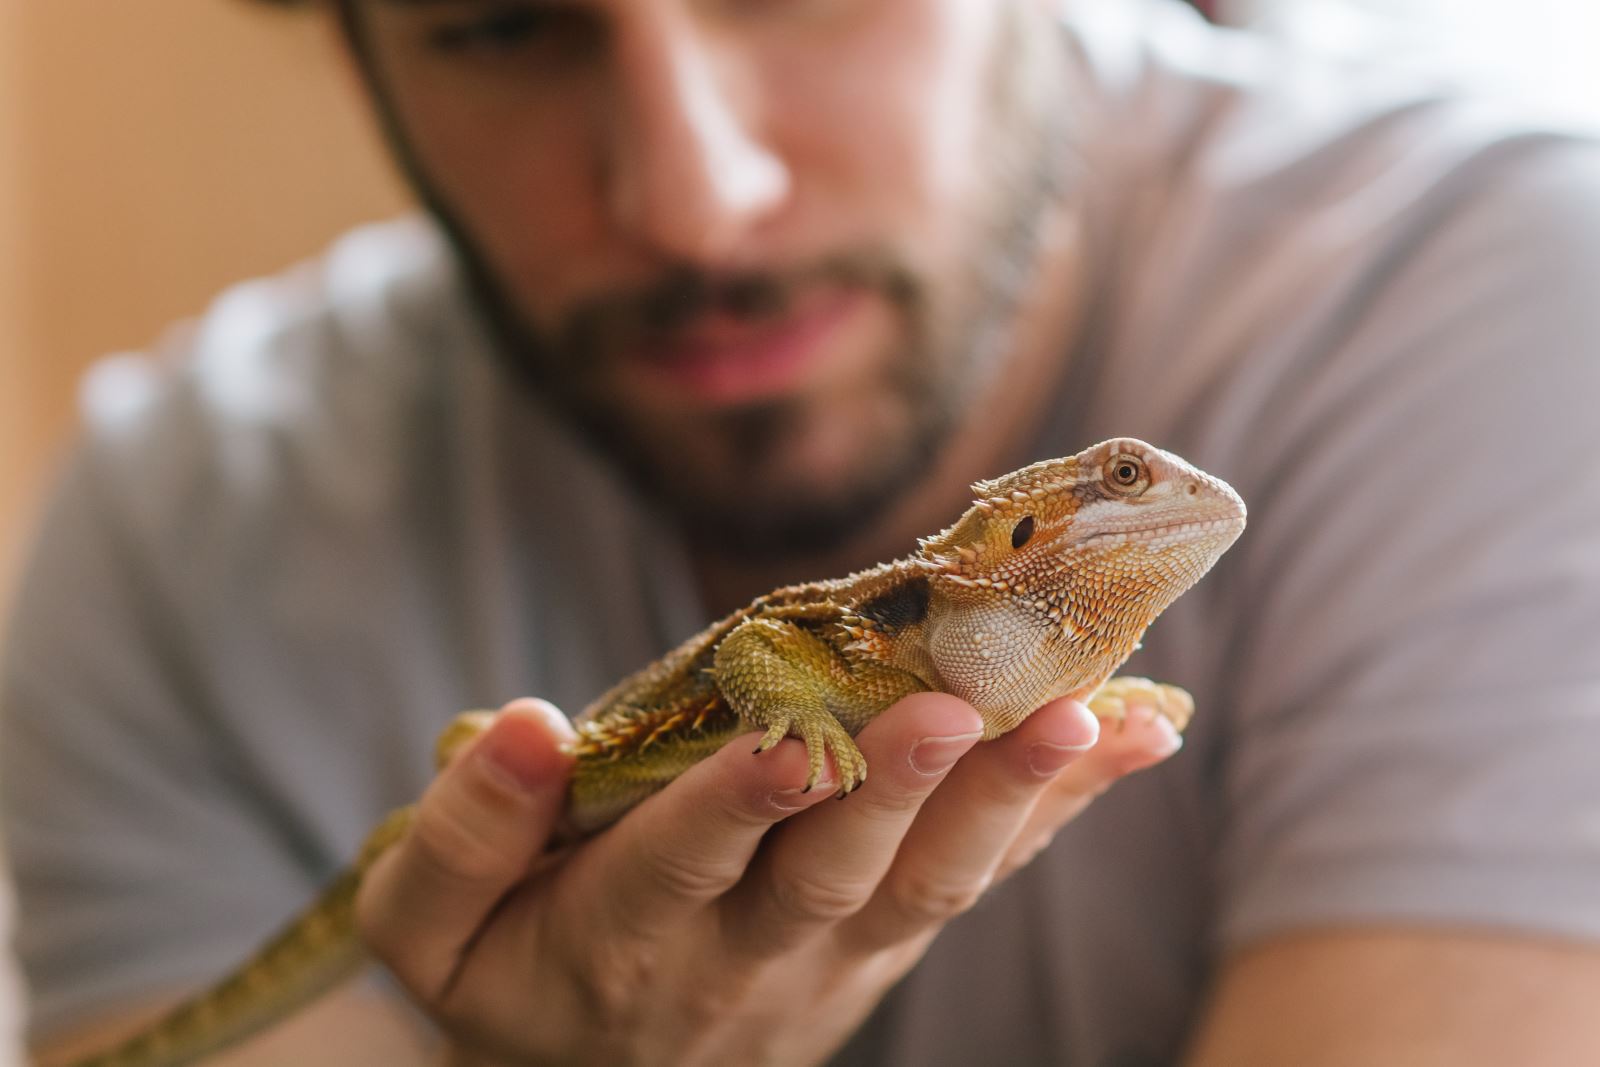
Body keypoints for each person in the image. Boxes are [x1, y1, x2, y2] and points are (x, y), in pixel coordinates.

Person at [7, 0, 1600, 1063]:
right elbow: (782, 647)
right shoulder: (170, 517)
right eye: (502, 19)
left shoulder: (1509, 308)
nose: (698, 196)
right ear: (354, 53)